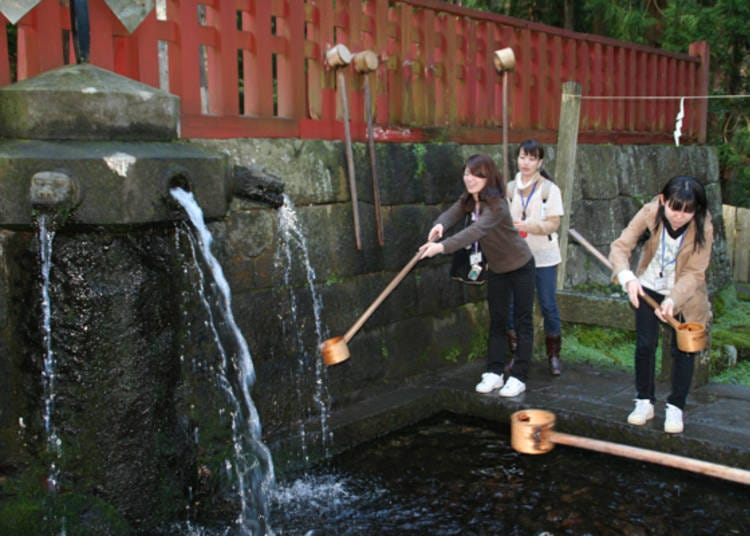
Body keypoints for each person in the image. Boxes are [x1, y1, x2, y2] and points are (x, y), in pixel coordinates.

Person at [419, 153, 535, 397]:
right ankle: (494, 372)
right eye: (466, 174)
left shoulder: (497, 206)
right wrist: (439, 225)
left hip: (521, 266)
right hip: (497, 269)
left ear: (488, 177)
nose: (469, 179)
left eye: (476, 175)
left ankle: (519, 376)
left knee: (523, 322)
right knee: (498, 320)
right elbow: (453, 212)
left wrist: (441, 247)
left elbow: (475, 231)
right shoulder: (470, 199)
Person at [609, 175, 713, 434]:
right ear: (664, 201)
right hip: (648, 288)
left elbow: (695, 273)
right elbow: (621, 247)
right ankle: (644, 400)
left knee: (685, 350)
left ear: (696, 210)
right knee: (645, 344)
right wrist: (627, 278)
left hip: (685, 294)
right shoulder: (650, 212)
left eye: (688, 211)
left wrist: (673, 299)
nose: (679, 216)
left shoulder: (703, 226)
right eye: (675, 208)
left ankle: (676, 406)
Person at [506, 139, 564, 376]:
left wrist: (528, 226)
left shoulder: (549, 189)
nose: (526, 163)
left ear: (540, 162)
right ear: (517, 159)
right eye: (522, 157)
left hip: (543, 257)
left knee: (548, 304)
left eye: (531, 158)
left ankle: (554, 356)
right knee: (513, 306)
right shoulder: (509, 188)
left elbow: (554, 223)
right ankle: (518, 355)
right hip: (516, 256)